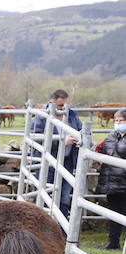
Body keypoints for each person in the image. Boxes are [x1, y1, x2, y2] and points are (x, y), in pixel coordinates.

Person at [30, 89, 83, 218]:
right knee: (46, 195)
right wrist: (61, 141)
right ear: (51, 103)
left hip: (67, 162)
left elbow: (82, 131)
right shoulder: (41, 117)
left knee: (64, 197)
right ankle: (45, 229)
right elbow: (36, 138)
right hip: (47, 163)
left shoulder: (72, 116)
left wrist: (81, 138)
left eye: (65, 105)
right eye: (60, 106)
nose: (63, 109)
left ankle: (63, 231)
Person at [94, 108, 126, 250]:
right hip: (111, 182)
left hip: (124, 182)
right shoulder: (111, 136)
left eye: (121, 121)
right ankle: (113, 242)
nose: (118, 123)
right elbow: (99, 149)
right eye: (116, 121)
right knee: (114, 213)